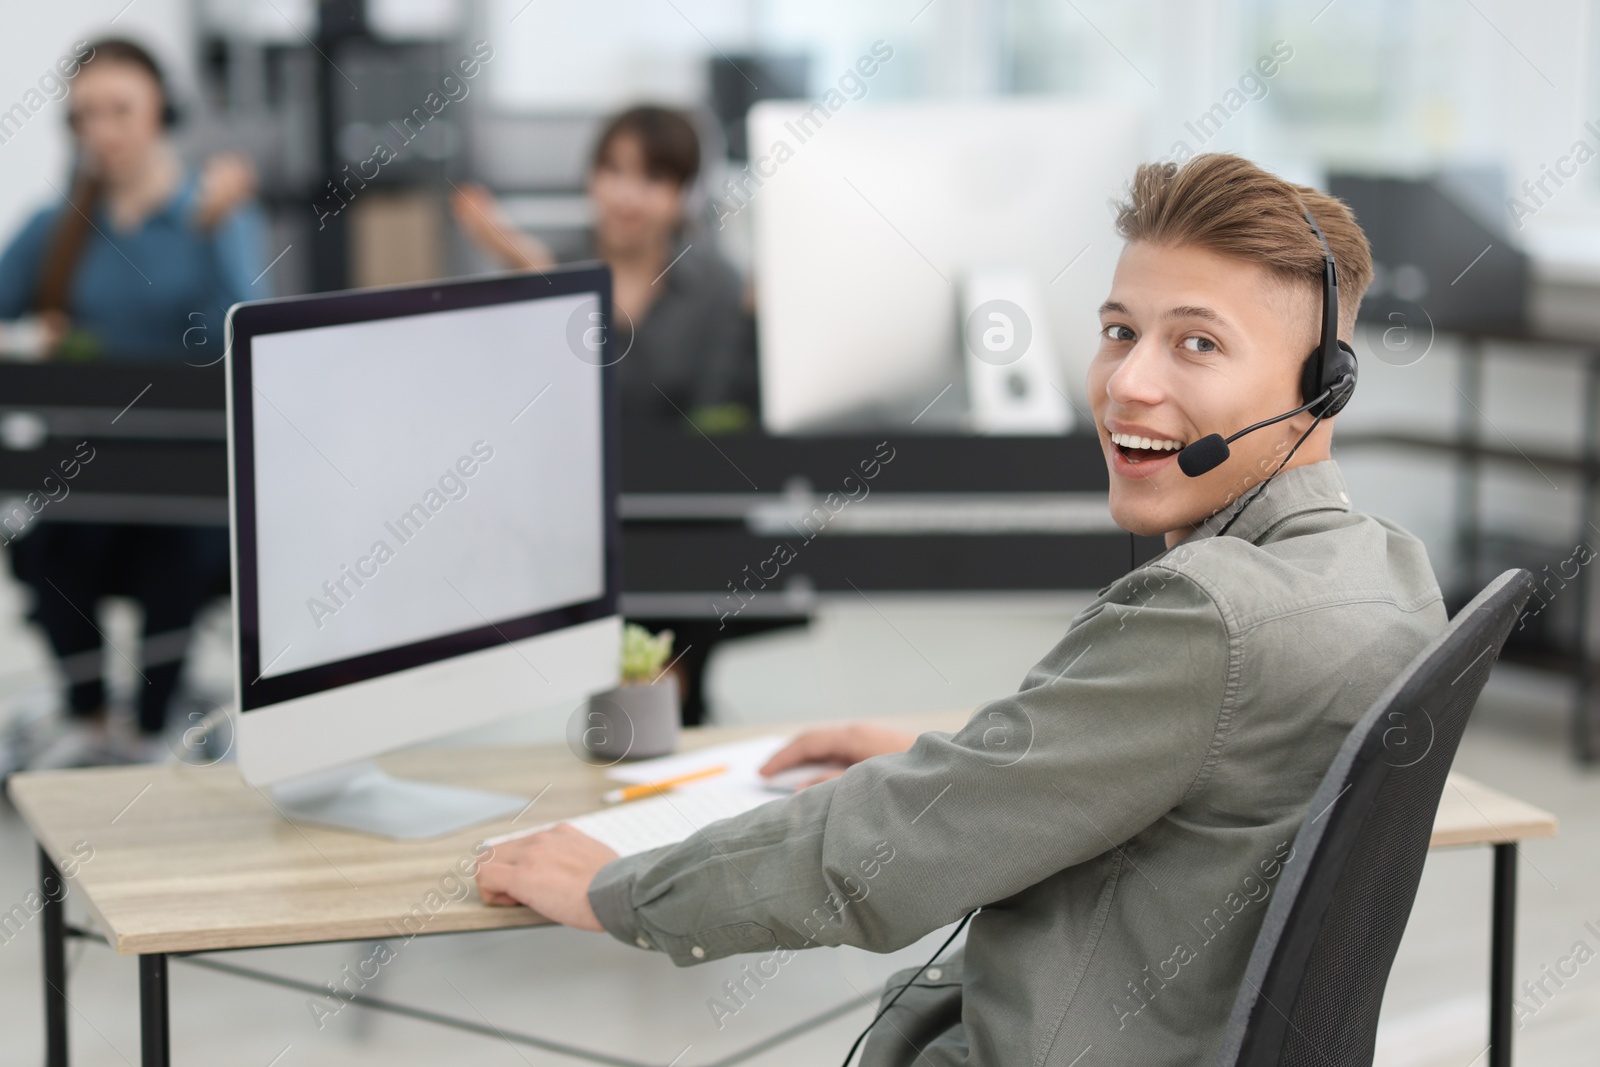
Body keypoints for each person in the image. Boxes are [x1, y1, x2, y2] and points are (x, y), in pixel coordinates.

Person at [473, 154, 1448, 1066]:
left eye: (1196, 342)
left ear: (1322, 385)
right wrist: (973, 764)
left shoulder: (1207, 610)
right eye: (1118, 330)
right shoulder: (1392, 575)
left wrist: (623, 888)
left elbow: (884, 856)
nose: (1128, 384)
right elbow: (1196, 770)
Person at [0, 38, 267, 766]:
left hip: (188, 485)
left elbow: (245, 332)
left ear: (160, 114)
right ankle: (91, 723)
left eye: (120, 110)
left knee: (176, 555)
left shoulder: (212, 214)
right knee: (51, 550)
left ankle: (152, 729)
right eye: (86, 115)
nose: (104, 130)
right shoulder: (60, 226)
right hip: (88, 476)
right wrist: (39, 333)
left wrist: (219, 234)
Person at [450, 105, 755, 429]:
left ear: (686, 194)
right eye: (612, 170)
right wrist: (539, 276)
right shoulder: (551, 272)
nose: (626, 196)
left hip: (681, 474)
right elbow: (537, 408)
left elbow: (720, 419)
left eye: (653, 177)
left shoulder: (718, 285)